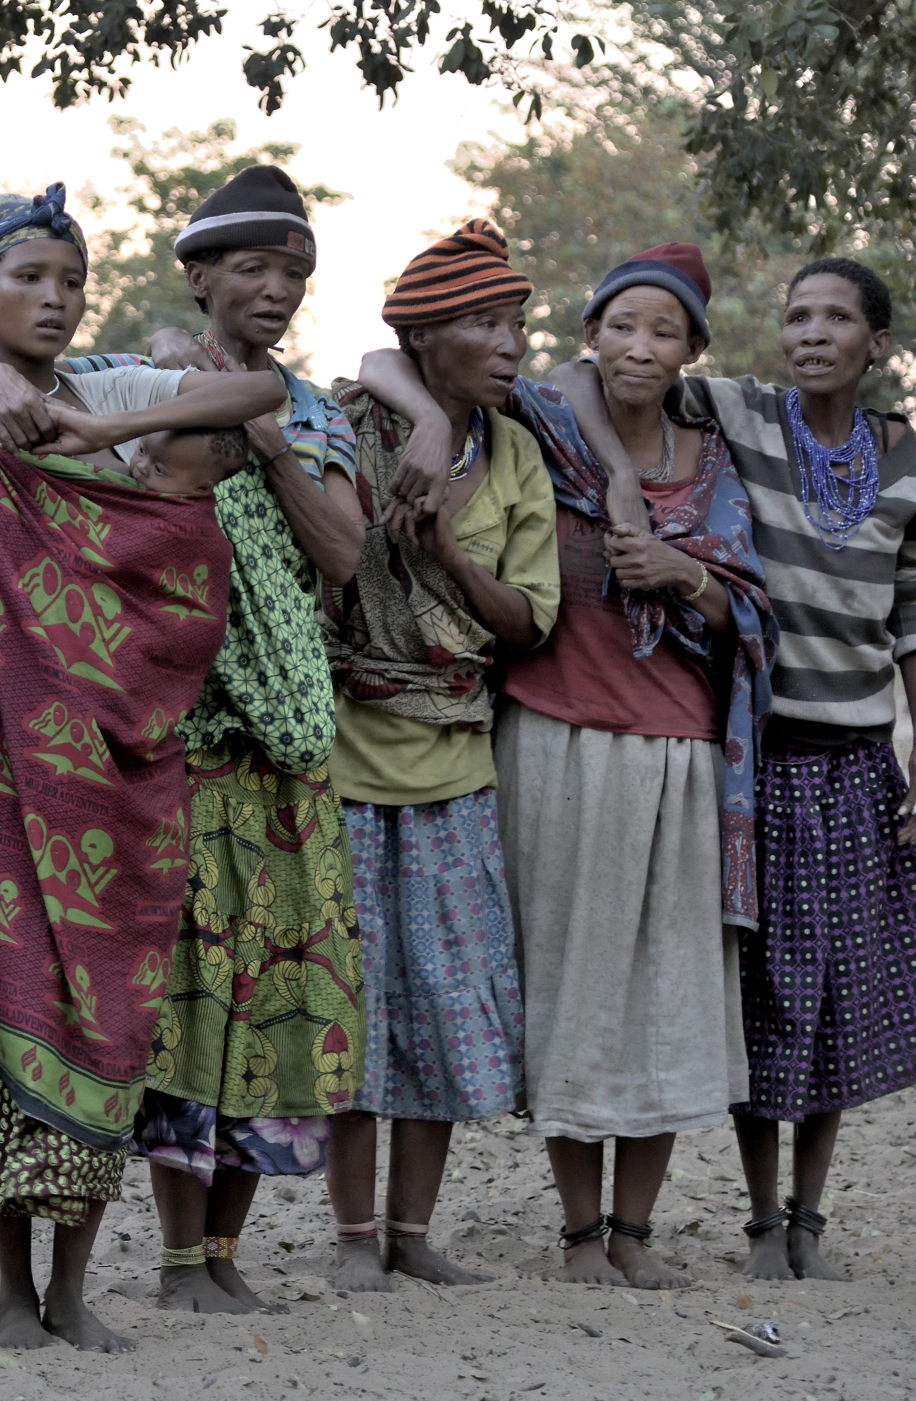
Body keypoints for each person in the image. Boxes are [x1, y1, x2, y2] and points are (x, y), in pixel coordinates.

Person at [0, 184, 289, 1349]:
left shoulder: (111, 392)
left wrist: (97, 432)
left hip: (119, 763)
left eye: (69, 280)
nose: (54, 300)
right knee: (10, 996)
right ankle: (11, 1288)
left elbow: (265, 389)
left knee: (106, 1005)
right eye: (27, 280)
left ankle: (74, 1286)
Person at [360, 237, 779, 1289]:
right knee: (568, 988)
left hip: (677, 756)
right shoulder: (536, 426)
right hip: (549, 739)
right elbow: (383, 361)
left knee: (667, 992)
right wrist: (424, 422)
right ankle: (578, 1232)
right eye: (622, 325)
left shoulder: (715, 464)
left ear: (691, 350)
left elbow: (750, 610)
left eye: (665, 330)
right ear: (590, 335)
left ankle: (636, 1233)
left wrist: (682, 576)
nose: (642, 347)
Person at [573, 257, 916, 1281]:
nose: (810, 334)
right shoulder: (735, 412)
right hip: (762, 763)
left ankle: (809, 1220)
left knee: (839, 995)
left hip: (861, 761)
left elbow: (910, 611)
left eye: (835, 318)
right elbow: (588, 377)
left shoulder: (905, 459)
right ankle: (753, 1222)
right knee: (767, 993)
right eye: (795, 317)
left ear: (876, 343)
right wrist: (616, 482)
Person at [59, 166, 371, 1314]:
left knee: (275, 998)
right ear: (196, 278)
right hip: (173, 740)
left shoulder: (316, 412)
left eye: (292, 272)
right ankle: (178, 1258)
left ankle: (226, 1254)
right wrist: (177, 408)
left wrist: (266, 432)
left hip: (281, 749)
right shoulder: (123, 378)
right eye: (251, 268)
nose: (275, 289)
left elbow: (342, 557)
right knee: (183, 999)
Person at [319, 219, 561, 1292]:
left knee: (440, 1004)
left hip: (457, 763)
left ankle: (413, 1235)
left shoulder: (514, 454)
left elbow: (526, 624)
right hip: (343, 763)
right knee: (354, 1008)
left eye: (515, 325)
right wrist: (413, 411)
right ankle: (352, 1241)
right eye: (481, 323)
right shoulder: (346, 423)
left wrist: (449, 553)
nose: (506, 345)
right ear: (422, 340)